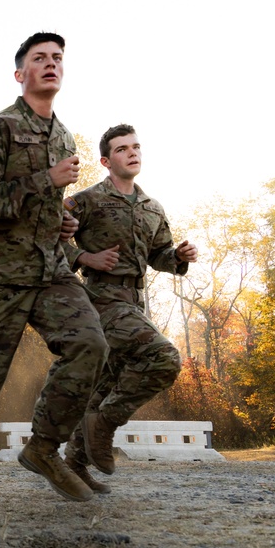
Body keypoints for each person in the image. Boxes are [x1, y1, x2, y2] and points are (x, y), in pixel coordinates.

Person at [0, 32, 109, 511]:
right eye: (40, 58)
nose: (51, 64)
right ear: (21, 74)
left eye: (57, 58)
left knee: (90, 344)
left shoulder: (66, 136)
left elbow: (46, 207)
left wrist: (64, 221)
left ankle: (43, 448)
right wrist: (43, 181)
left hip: (50, 270)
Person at [60, 124, 197, 492]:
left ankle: (74, 464)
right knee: (164, 358)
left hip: (136, 304)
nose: (132, 153)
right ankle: (104, 425)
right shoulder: (85, 201)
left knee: (105, 386)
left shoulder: (153, 207)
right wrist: (85, 255)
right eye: (122, 149)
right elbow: (46, 238)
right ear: (106, 160)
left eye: (136, 147)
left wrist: (178, 257)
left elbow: (158, 255)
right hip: (101, 301)